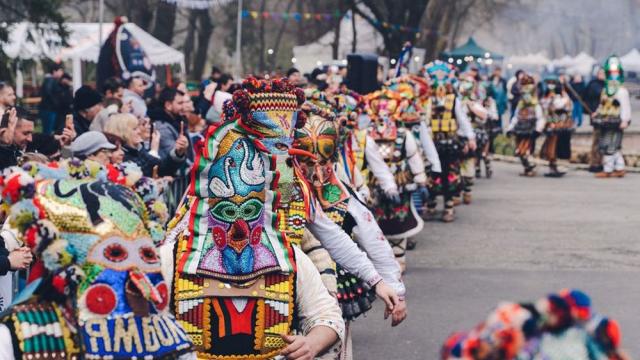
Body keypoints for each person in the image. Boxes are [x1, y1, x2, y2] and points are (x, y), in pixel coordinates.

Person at [162, 77, 348, 359]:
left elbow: (328, 317)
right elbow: (141, 321)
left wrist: (312, 342)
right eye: (226, 212)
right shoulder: (173, 258)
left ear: (264, 209)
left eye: (248, 211)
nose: (238, 228)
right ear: (209, 209)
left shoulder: (289, 258)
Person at [0, 162, 196, 359]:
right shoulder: (172, 334)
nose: (136, 276)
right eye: (116, 253)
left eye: (145, 254)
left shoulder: (19, 334)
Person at [423, 61, 476, 223]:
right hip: (432, 144)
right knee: (432, 174)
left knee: (450, 176)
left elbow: (463, 120)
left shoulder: (454, 100)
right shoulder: (427, 101)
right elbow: (423, 122)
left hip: (450, 144)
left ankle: (449, 206)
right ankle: (431, 205)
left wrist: (470, 137)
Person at [104, 113, 186, 177]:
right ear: (122, 132)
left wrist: (178, 152)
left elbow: (162, 169)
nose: (139, 131)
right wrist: (154, 150)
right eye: (134, 129)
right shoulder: (121, 156)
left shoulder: (139, 149)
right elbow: (143, 174)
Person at [592, 56, 631, 178]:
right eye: (611, 73)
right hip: (604, 120)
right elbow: (602, 104)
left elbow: (626, 106)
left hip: (616, 121)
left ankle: (608, 169)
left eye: (615, 73)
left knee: (610, 145)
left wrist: (625, 120)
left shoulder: (621, 91)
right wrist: (596, 113)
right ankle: (619, 168)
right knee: (610, 145)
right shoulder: (605, 90)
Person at [507, 74, 545, 177]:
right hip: (520, 128)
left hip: (530, 129)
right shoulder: (520, 105)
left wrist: (538, 129)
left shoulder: (536, 105)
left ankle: (531, 167)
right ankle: (527, 167)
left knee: (526, 150)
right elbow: (515, 117)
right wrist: (510, 128)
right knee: (519, 150)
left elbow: (540, 118)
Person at [149, 87, 191, 174]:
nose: (184, 107)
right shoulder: (162, 127)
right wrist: (180, 150)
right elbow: (173, 155)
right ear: (168, 105)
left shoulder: (178, 122)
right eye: (180, 103)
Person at [539, 77, 573, 177]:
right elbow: (545, 105)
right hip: (551, 123)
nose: (551, 85)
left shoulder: (562, 95)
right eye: (549, 83)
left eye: (553, 83)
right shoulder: (546, 95)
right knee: (550, 145)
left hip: (562, 123)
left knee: (561, 145)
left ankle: (558, 166)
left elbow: (565, 105)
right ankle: (552, 166)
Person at [585, 68, 606, 172]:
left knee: (604, 140)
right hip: (596, 115)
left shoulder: (607, 85)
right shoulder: (594, 85)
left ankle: (601, 162)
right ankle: (594, 162)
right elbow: (587, 99)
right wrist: (591, 112)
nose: (603, 75)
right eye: (601, 73)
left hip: (607, 116)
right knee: (597, 140)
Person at [38, 63, 65, 134]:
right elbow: (48, 93)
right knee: (48, 131)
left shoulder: (50, 80)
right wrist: (56, 103)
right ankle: (46, 144)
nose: (61, 73)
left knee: (48, 129)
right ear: (54, 71)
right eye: (60, 70)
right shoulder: (50, 80)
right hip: (48, 109)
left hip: (48, 108)